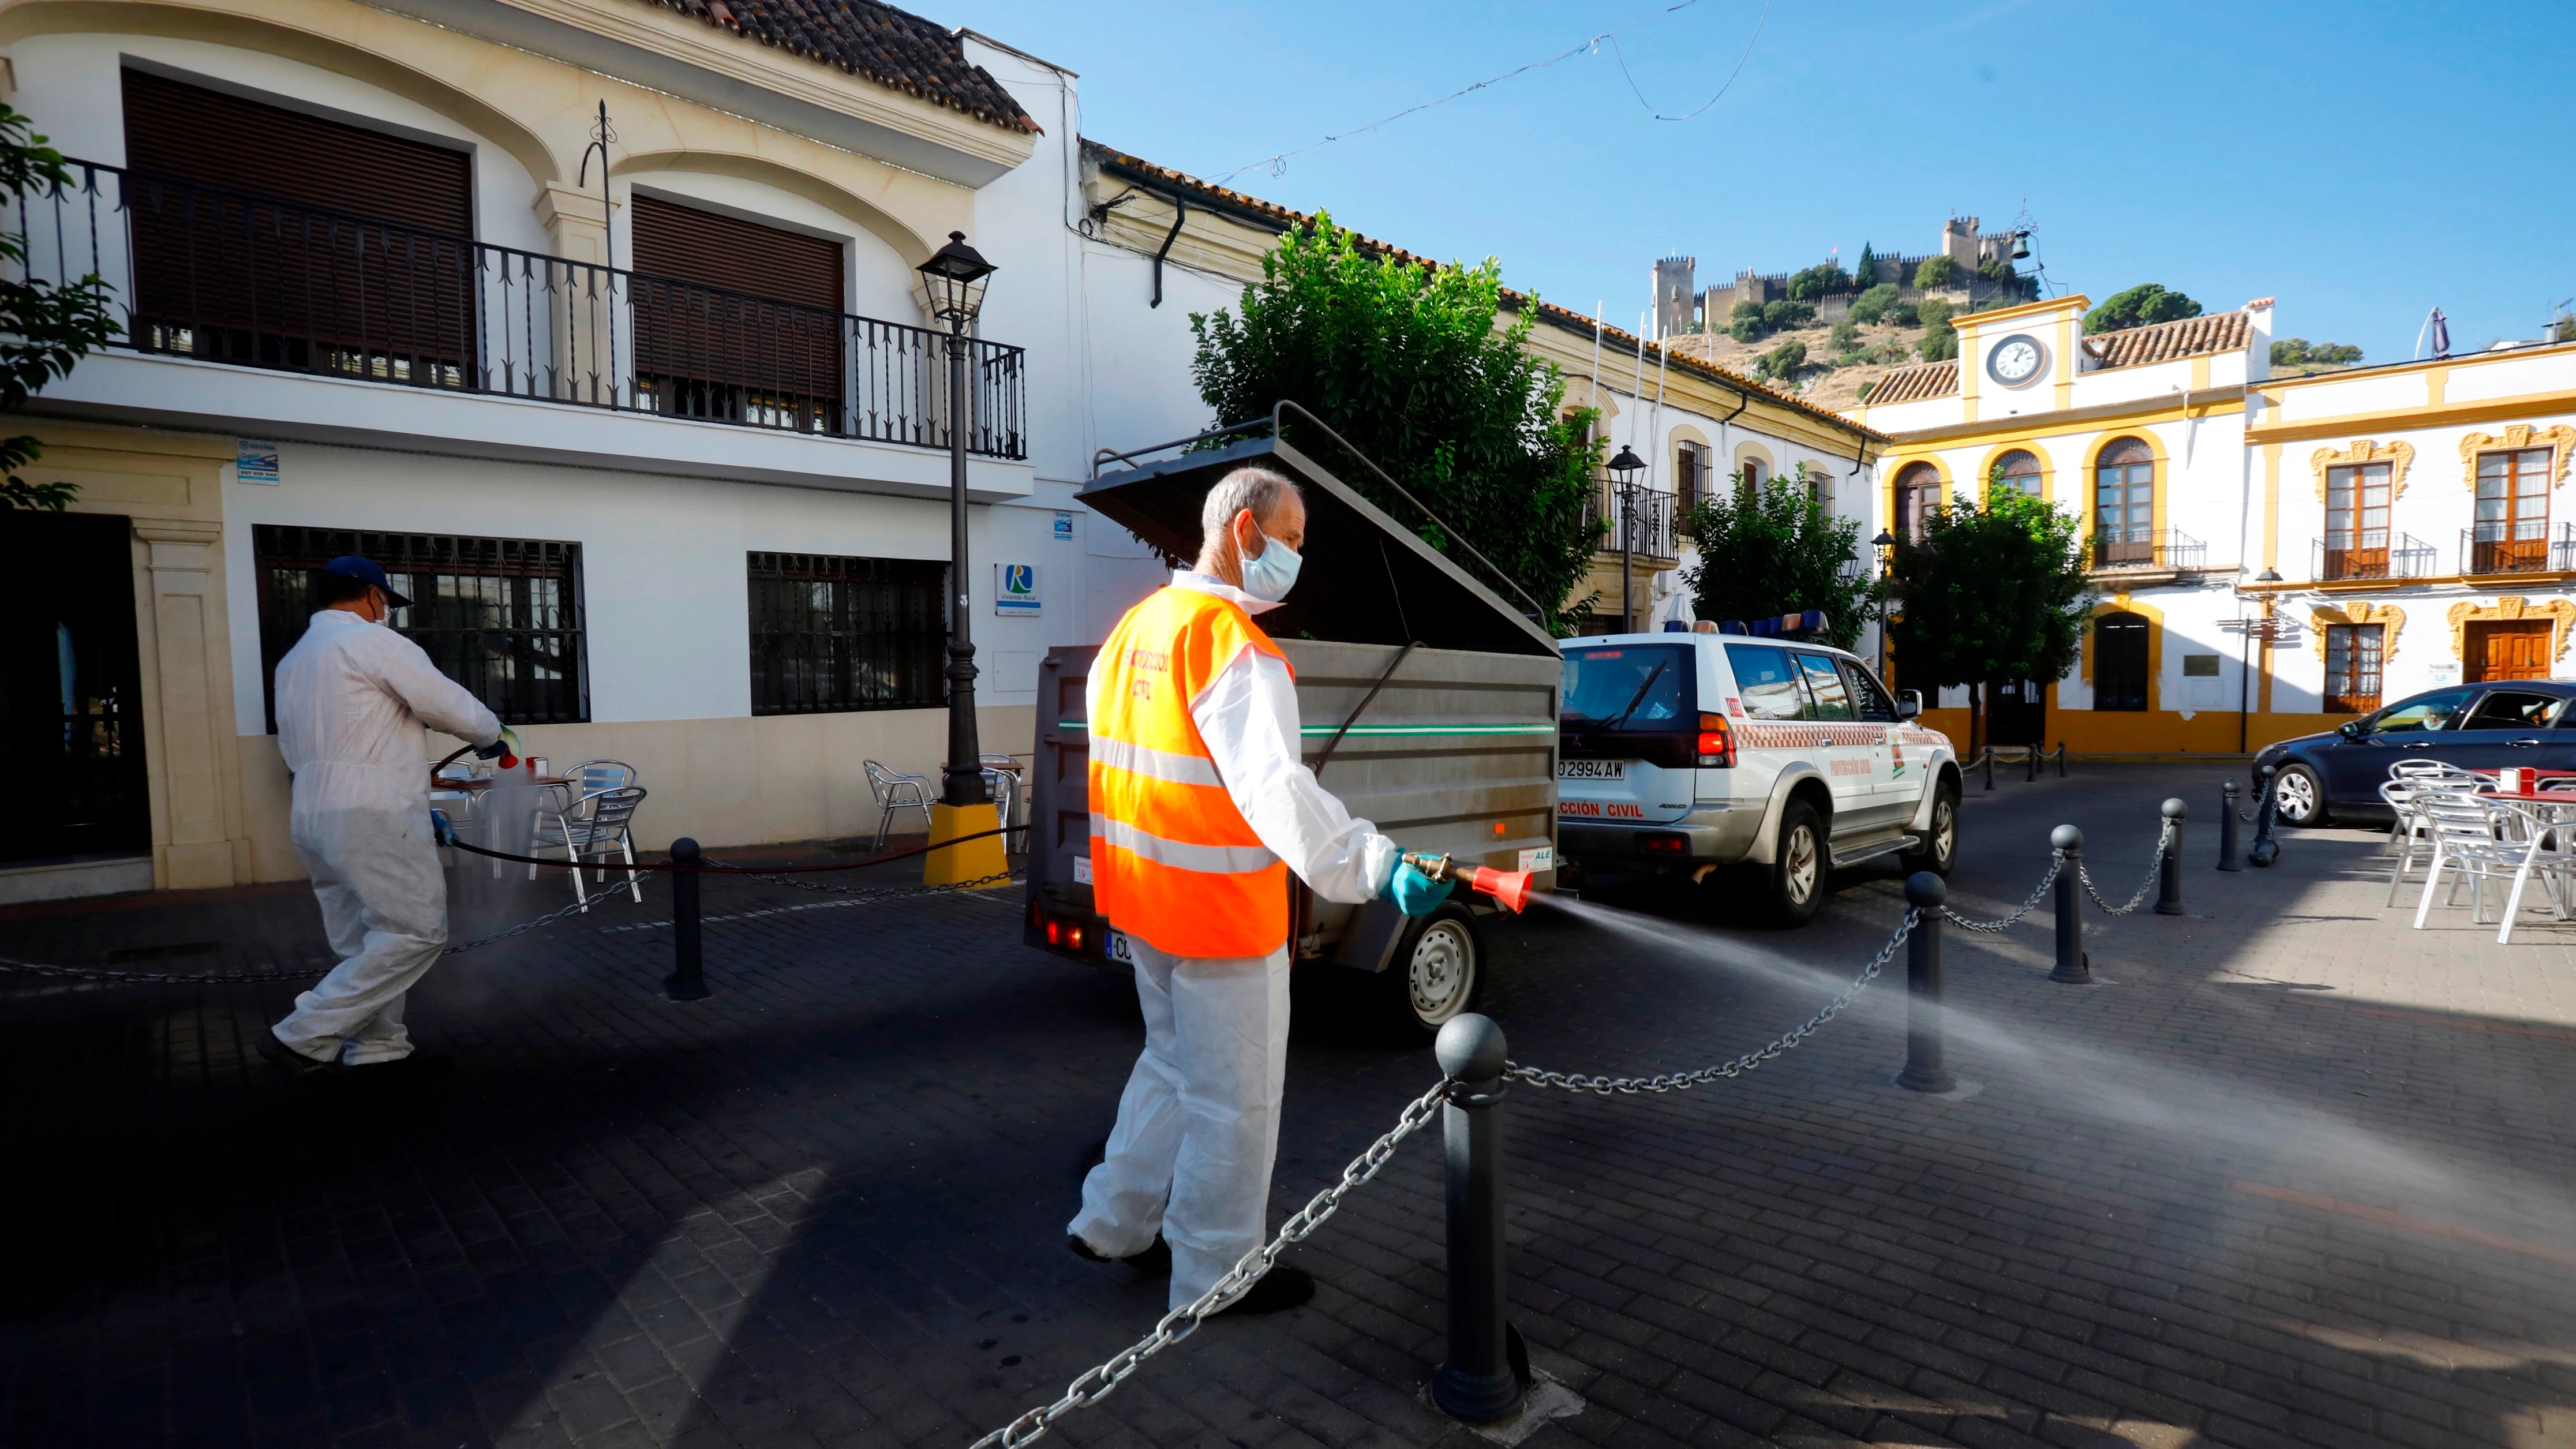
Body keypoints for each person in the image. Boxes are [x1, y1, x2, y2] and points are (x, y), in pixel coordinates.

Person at [1069, 466, 1451, 1316]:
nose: (1296, 557)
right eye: (1293, 538)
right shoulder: (1236, 647)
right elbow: (1276, 790)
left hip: (1146, 906)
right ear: (1245, 532)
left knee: (1168, 1064)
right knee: (1235, 1102)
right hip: (1221, 919)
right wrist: (1375, 863)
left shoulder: (1135, 629)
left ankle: (1112, 1219)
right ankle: (1214, 1276)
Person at [256, 556, 505, 1081]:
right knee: (416, 931)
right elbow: (448, 705)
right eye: (387, 600)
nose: (386, 610)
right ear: (372, 595)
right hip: (371, 805)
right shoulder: (372, 642)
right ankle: (303, 1034)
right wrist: (489, 734)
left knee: (363, 941)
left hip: (312, 807)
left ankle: (379, 1047)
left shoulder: (295, 659)